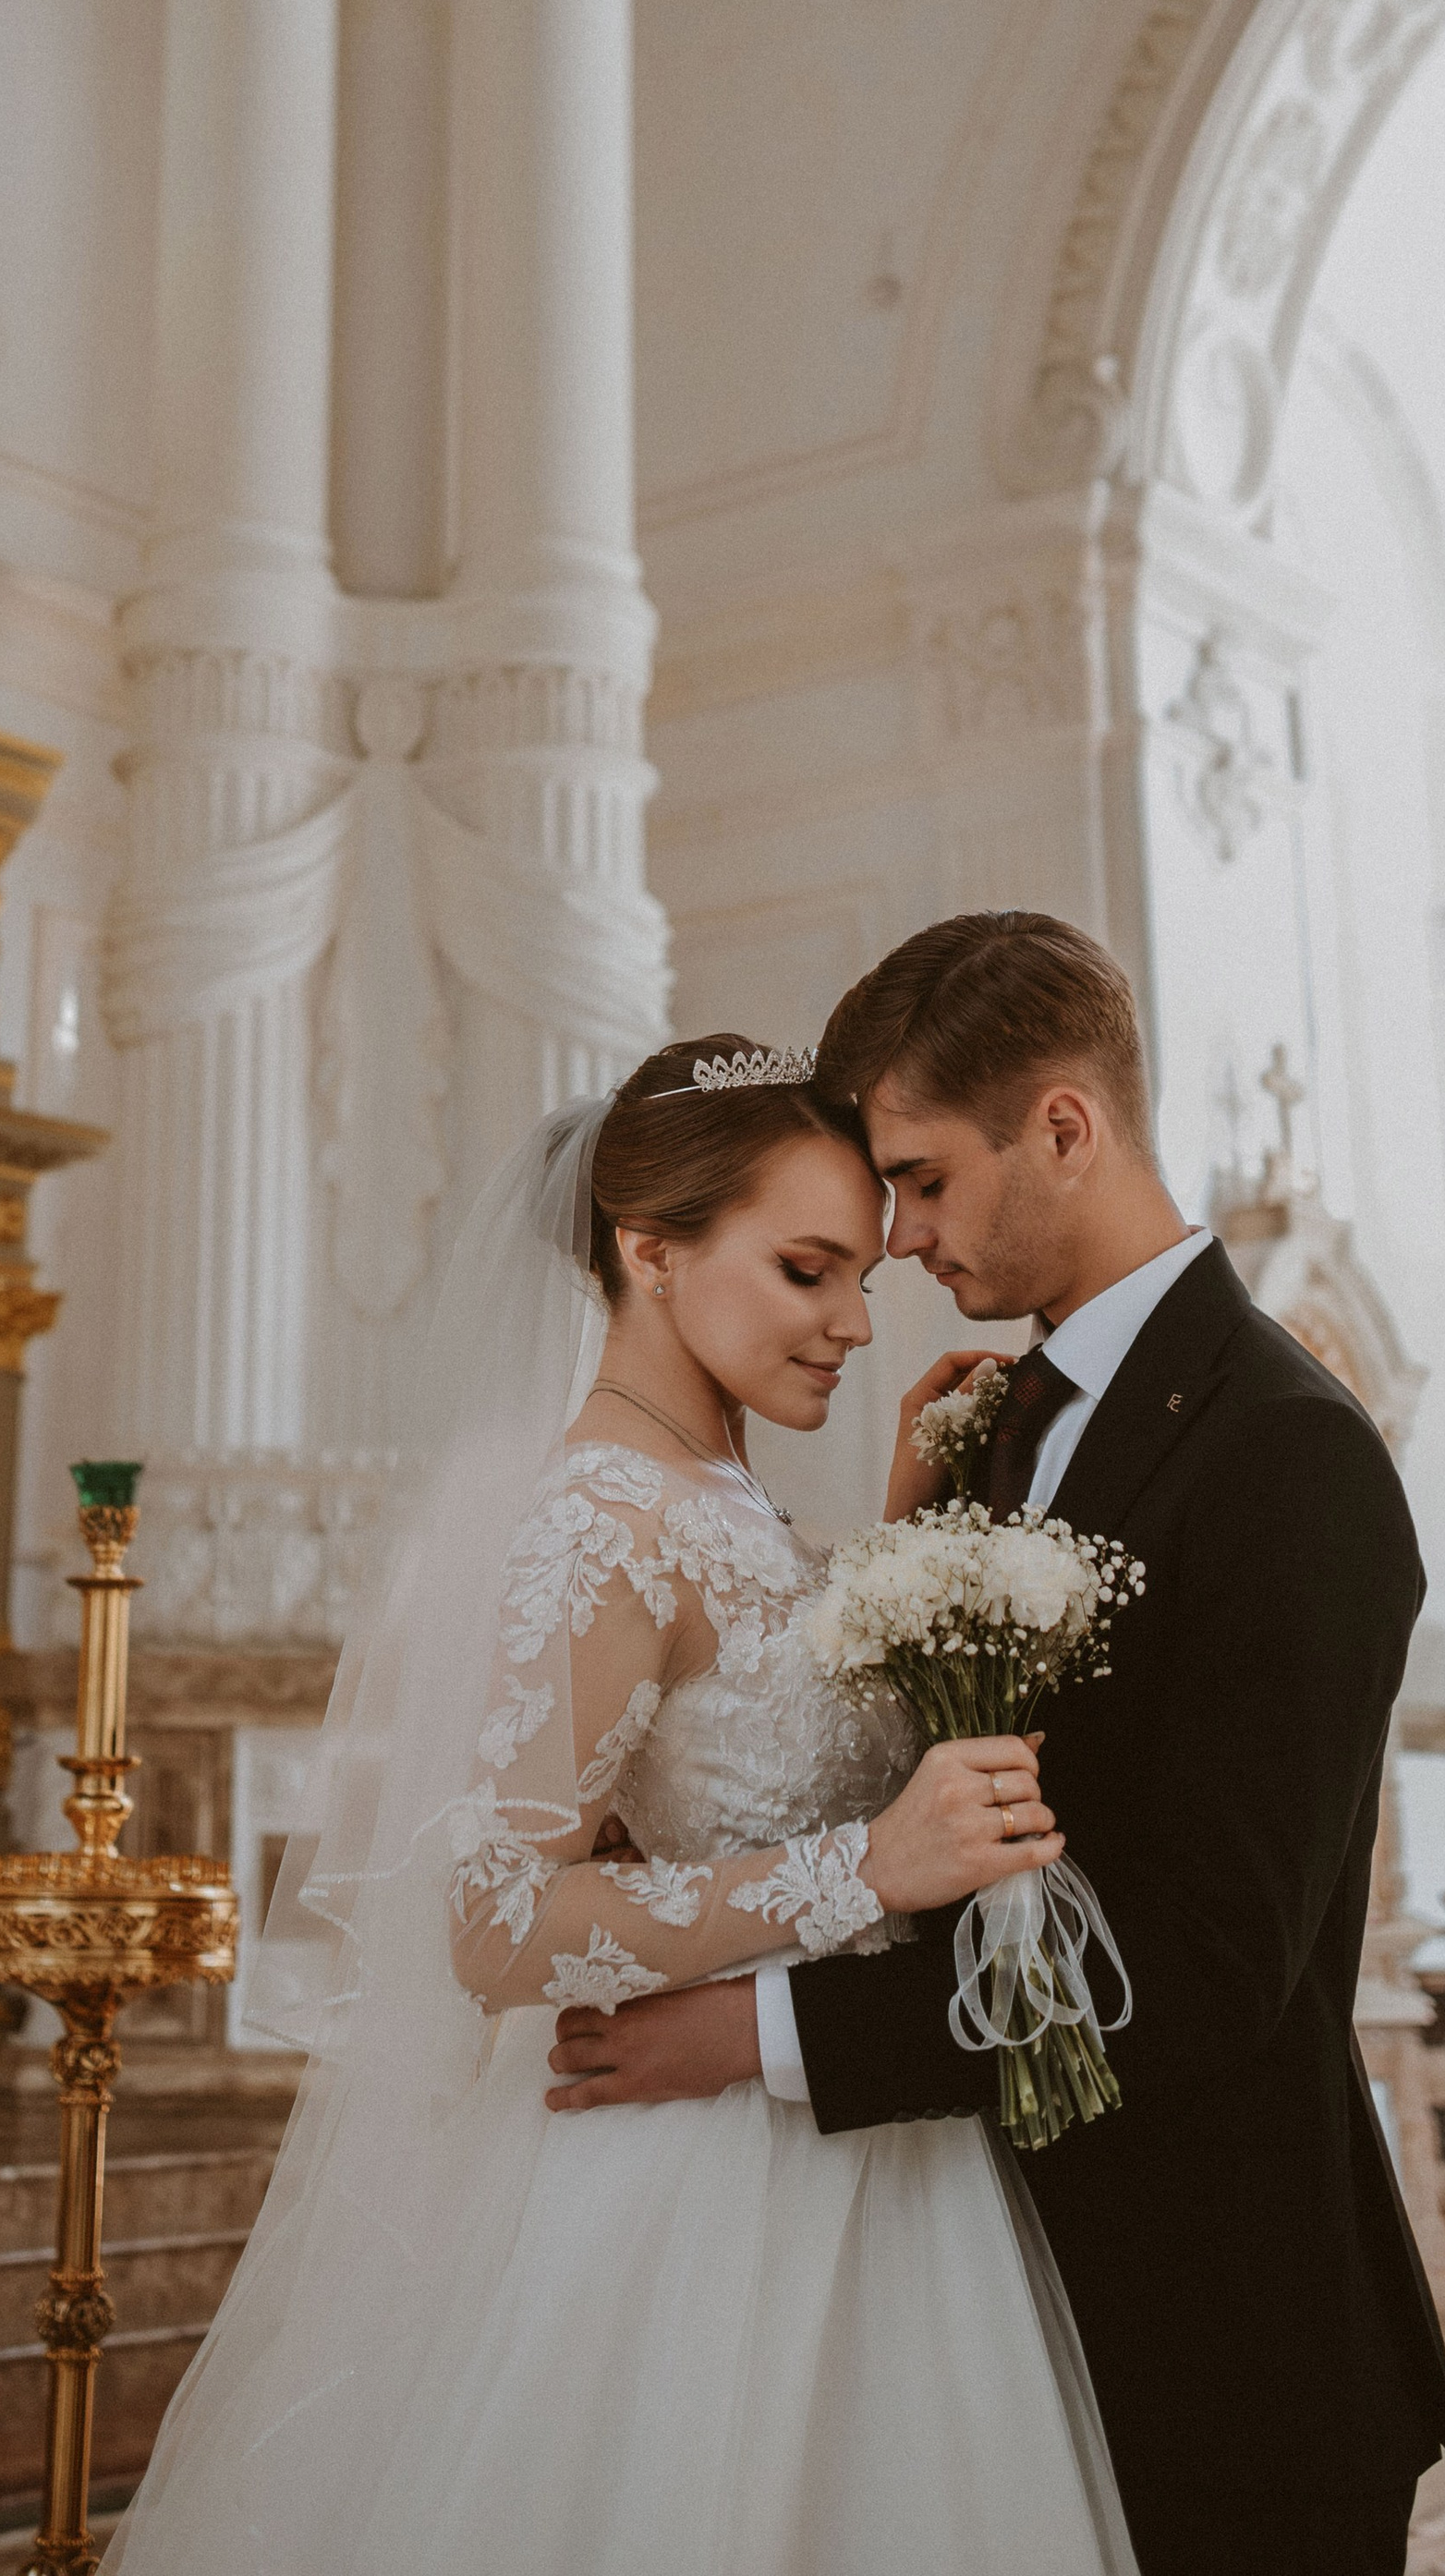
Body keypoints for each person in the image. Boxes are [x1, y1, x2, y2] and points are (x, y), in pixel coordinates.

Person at [106, 1039, 1137, 2574]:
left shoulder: (719, 1489)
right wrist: (870, 1865)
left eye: (862, 1275)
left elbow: (736, 1737)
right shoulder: (595, 1519)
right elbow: (492, 1921)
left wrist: (906, 1533)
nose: (856, 1323)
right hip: (691, 2192)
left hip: (864, 2153)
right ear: (650, 1254)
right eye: (806, 1271)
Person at [548, 917, 1445, 2576]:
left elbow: (1204, 1959)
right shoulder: (987, 1429)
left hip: (1220, 2348)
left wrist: (759, 2033)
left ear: (1063, 1128)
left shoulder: (1291, 1455)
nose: (895, 1244)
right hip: (962, 2311)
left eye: (920, 1182)